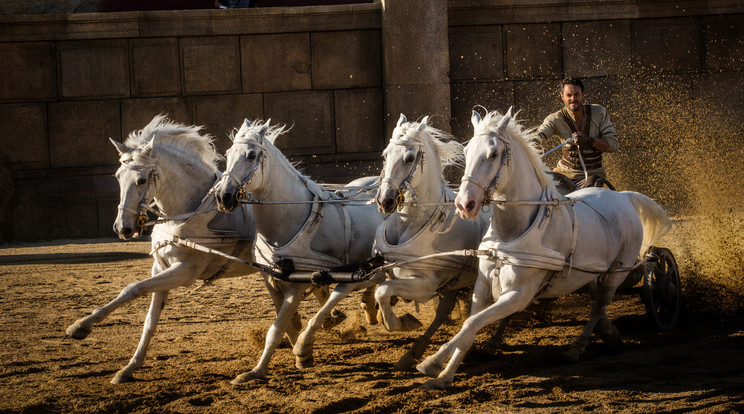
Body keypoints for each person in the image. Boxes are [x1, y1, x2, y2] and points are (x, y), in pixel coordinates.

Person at [534, 77, 619, 188]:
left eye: (576, 95)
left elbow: (613, 144)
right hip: (564, 174)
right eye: (569, 95)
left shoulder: (599, 112)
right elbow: (537, 137)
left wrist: (588, 141)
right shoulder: (555, 119)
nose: (573, 99)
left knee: (587, 195)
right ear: (562, 96)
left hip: (593, 176)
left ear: (583, 95)